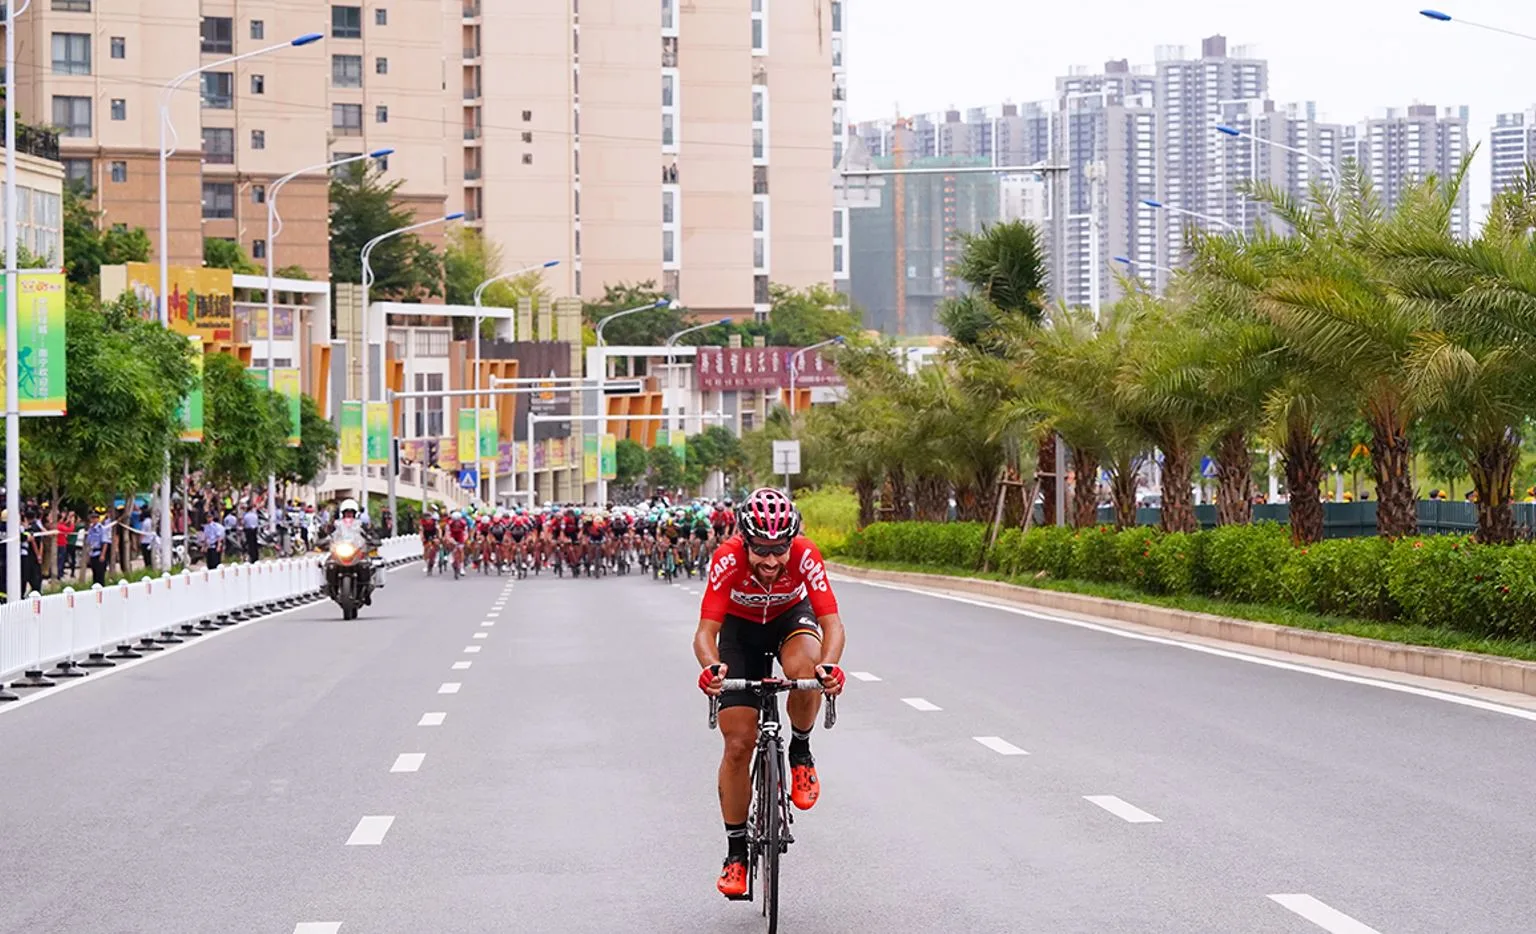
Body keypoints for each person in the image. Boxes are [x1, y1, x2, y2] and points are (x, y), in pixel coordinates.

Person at [692, 487, 846, 898]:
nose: (772, 561)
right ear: (745, 540)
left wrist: (830, 667)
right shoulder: (727, 558)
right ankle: (736, 853)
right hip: (739, 633)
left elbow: (832, 624)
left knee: (807, 670)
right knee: (738, 744)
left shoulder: (805, 554)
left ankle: (800, 752)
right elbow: (705, 633)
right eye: (761, 549)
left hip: (788, 621)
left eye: (780, 549)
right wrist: (711, 668)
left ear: (792, 541)